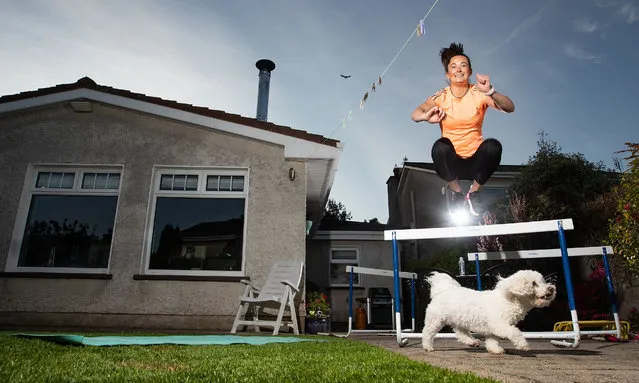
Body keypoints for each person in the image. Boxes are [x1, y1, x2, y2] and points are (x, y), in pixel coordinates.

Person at [411, 42, 515, 216]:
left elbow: (509, 107)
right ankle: (457, 193)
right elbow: (416, 113)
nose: (458, 70)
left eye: (463, 65)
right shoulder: (441, 96)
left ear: (470, 72)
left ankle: (474, 193)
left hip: (477, 162)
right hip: (453, 164)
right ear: (448, 74)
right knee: (440, 146)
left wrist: (490, 91)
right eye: (454, 66)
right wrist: (425, 116)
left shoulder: (479, 93)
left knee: (493, 146)